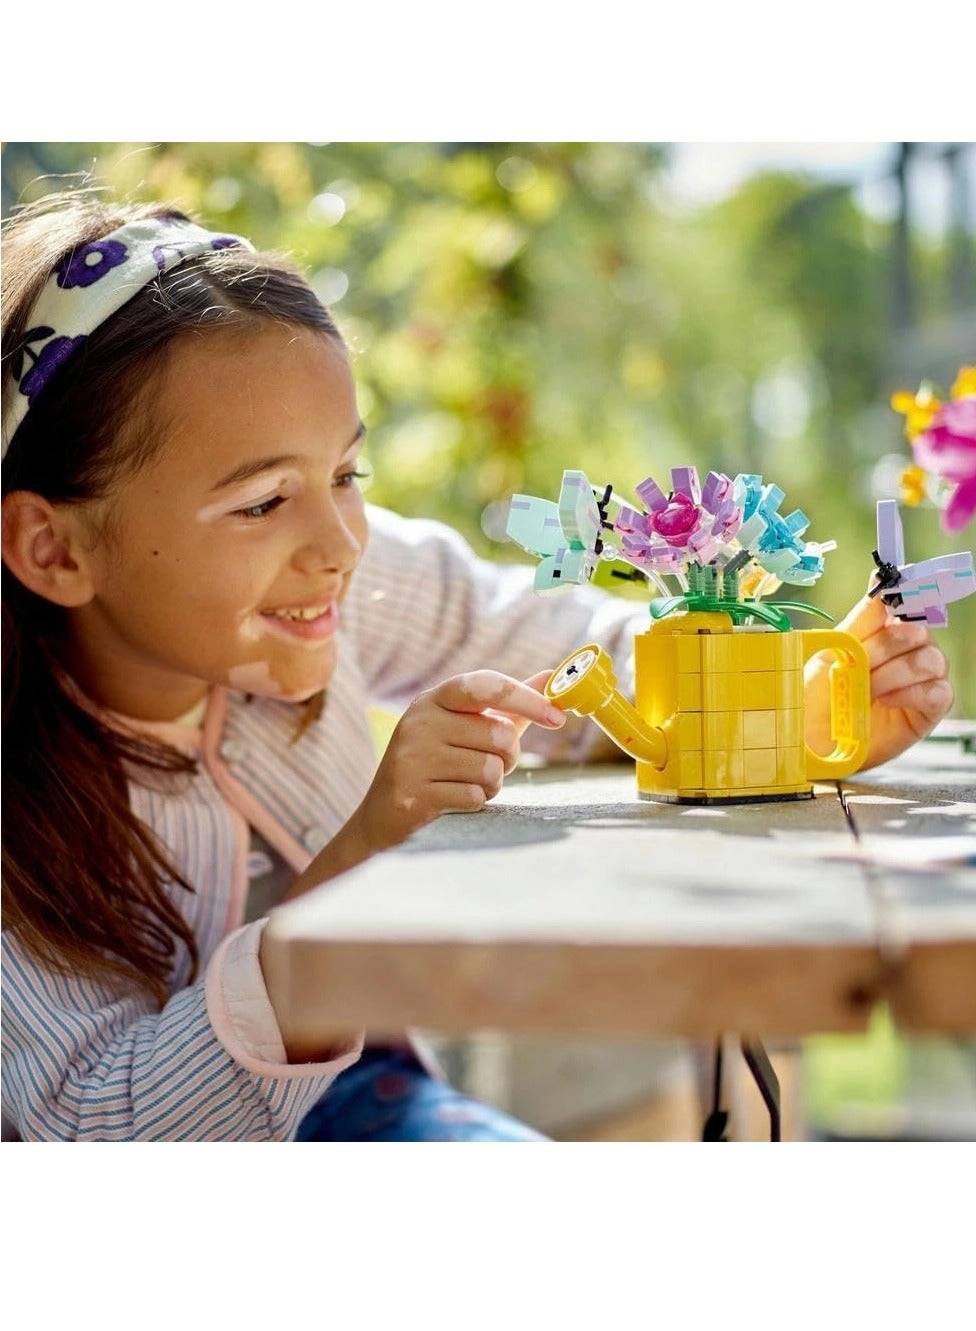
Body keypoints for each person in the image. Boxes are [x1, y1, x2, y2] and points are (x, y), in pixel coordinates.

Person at [0, 190, 955, 1142]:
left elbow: (572, 649)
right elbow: (95, 1128)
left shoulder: (341, 585)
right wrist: (364, 851)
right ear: (54, 550)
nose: (338, 541)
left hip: (362, 1100)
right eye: (260, 503)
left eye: (345, 476)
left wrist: (789, 707)